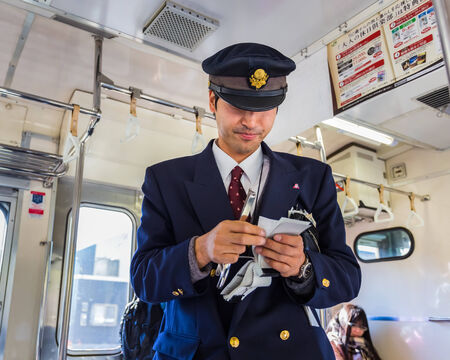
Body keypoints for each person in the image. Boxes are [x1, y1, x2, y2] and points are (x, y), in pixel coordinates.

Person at [130, 42, 361, 360]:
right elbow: (144, 280)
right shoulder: (166, 181)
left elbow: (347, 280)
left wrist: (303, 267)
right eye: (238, 107)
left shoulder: (313, 178)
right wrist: (200, 251)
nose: (252, 122)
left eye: (265, 109)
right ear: (213, 100)